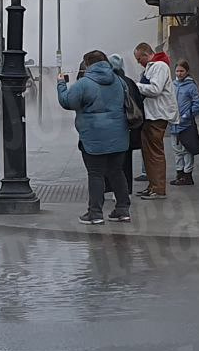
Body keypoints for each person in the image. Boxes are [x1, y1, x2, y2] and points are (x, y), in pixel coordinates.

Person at [57, 50, 131, 225]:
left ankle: (95, 213)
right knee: (117, 172)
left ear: (87, 64)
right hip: (119, 136)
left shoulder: (84, 84)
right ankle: (122, 210)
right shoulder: (119, 81)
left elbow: (67, 102)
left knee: (96, 174)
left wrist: (61, 84)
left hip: (93, 137)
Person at [134, 42, 177, 200]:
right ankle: (152, 185)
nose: (139, 62)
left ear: (146, 54)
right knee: (148, 153)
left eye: (139, 59)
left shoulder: (159, 66)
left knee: (155, 154)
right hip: (150, 115)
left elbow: (155, 89)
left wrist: (135, 86)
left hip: (157, 115)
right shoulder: (152, 67)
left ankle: (158, 189)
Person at [110, 53, 145, 188]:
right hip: (128, 128)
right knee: (126, 161)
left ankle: (112, 189)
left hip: (111, 129)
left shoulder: (107, 83)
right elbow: (138, 104)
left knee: (111, 161)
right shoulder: (129, 82)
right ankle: (127, 190)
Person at [169, 59, 199, 186]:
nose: (179, 73)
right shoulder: (172, 85)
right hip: (174, 124)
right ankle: (179, 173)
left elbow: (197, 104)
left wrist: (186, 116)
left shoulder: (191, 86)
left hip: (186, 124)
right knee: (176, 150)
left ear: (187, 72)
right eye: (177, 71)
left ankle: (188, 174)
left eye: (182, 71)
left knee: (187, 150)